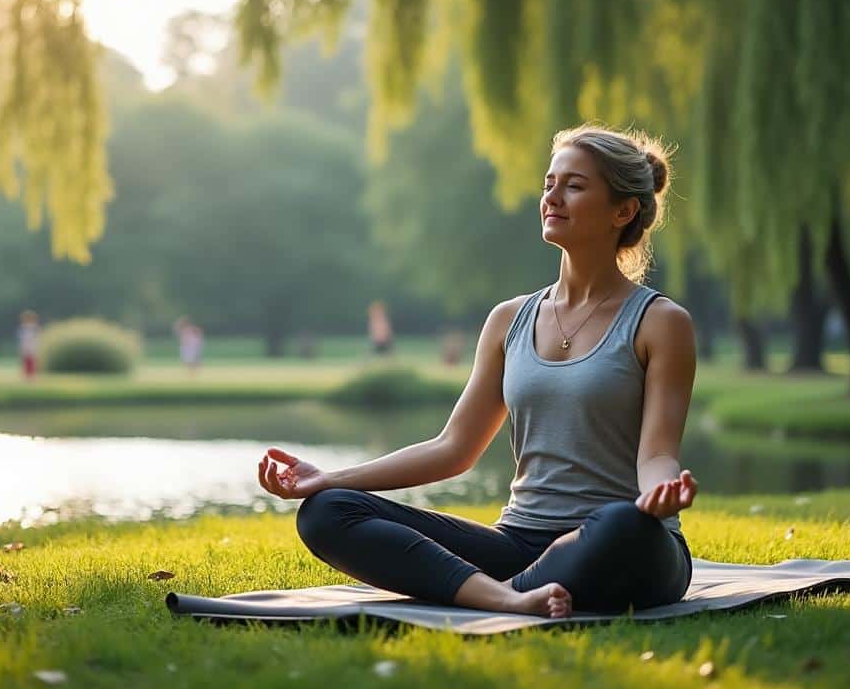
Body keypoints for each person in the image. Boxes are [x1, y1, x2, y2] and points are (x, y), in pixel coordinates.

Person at [259, 123, 697, 618]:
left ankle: (476, 590)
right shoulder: (509, 320)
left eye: (574, 186)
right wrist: (330, 479)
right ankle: (508, 596)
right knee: (328, 512)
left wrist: (661, 493)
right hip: (519, 540)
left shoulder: (660, 322)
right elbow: (454, 448)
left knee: (624, 525)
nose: (553, 196)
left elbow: (657, 452)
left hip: (623, 542)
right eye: (549, 183)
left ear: (623, 210)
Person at [17, 310, 40, 380]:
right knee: (26, 362)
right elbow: (21, 339)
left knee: (32, 362)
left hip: (32, 347)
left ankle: (32, 377)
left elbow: (37, 338)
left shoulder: (34, 328)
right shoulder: (23, 328)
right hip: (25, 347)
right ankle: (26, 376)